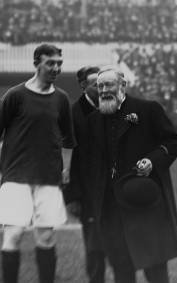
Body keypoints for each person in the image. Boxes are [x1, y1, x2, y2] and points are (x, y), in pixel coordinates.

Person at [0, 44, 75, 283]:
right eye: (50, 63)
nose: (56, 68)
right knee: (13, 236)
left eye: (59, 63)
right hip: (15, 177)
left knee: (46, 239)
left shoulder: (61, 99)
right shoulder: (15, 95)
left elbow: (68, 140)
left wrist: (66, 169)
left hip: (48, 179)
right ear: (36, 64)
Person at [87, 66, 177, 283]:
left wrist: (152, 160)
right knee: (122, 271)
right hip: (111, 210)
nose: (103, 90)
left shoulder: (148, 109)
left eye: (109, 84)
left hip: (145, 204)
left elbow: (172, 141)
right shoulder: (93, 120)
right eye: (100, 86)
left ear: (123, 85)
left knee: (155, 271)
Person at [63, 66, 110, 283]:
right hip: (89, 195)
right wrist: (72, 196)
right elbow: (67, 160)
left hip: (112, 192)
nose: (101, 87)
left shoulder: (113, 109)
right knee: (95, 248)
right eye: (95, 83)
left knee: (120, 248)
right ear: (83, 86)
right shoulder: (72, 115)